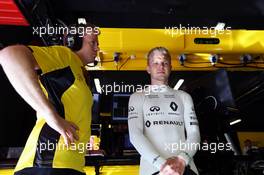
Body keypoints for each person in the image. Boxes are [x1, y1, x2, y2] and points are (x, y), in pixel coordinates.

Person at [0, 23, 99, 175]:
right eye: (93, 42)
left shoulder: (79, 71)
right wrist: (51, 117)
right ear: (74, 41)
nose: (97, 48)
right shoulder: (65, 55)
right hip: (47, 162)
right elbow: (9, 55)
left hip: (69, 164)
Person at [128, 47, 200, 175]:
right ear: (148, 68)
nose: (161, 66)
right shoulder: (137, 97)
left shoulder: (184, 97)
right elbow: (135, 135)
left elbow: (194, 134)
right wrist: (163, 165)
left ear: (171, 67)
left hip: (185, 168)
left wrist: (181, 160)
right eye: (156, 63)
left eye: (165, 63)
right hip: (153, 170)